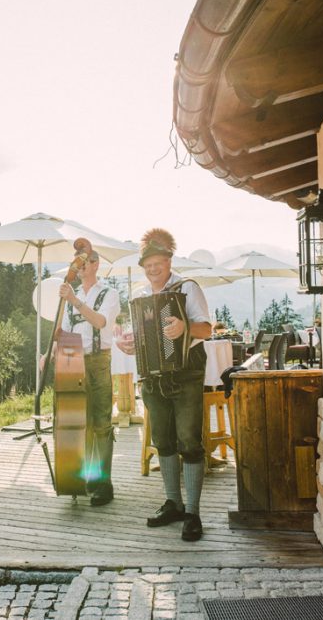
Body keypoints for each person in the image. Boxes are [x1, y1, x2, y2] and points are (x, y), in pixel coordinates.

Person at [118, 228, 212, 542]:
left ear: (168, 261)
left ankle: (193, 513)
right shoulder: (140, 295)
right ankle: (173, 503)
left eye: (158, 263)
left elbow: (207, 330)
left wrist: (185, 327)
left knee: (189, 441)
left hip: (185, 372)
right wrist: (130, 344)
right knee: (163, 440)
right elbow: (141, 338)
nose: (153, 269)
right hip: (153, 376)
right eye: (148, 265)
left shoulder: (188, 288)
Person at [58, 247, 120, 506]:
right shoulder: (72, 294)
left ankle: (104, 484)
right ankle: (87, 477)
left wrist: (74, 301)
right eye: (78, 262)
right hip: (73, 362)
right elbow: (63, 331)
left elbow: (100, 322)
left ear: (96, 264)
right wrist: (49, 355)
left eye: (86, 261)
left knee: (101, 423)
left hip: (98, 361)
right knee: (79, 422)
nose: (81, 265)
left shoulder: (109, 293)